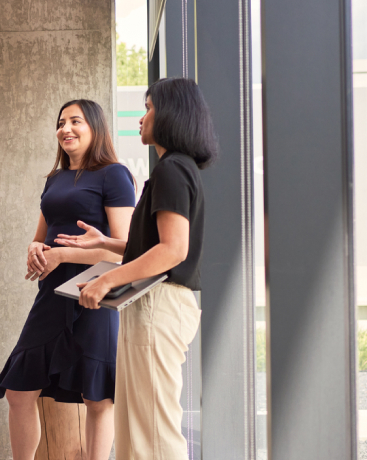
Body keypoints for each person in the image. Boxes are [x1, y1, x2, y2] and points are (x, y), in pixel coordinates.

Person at [56, 77, 218, 459]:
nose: (141, 117)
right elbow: (155, 245)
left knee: (153, 433)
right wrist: (105, 243)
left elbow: (172, 251)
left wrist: (106, 279)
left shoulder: (172, 170)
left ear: (171, 114)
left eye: (148, 108)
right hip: (153, 305)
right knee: (136, 432)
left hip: (157, 305)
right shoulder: (177, 169)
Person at [0, 100, 136, 460]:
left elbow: (123, 250)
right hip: (52, 292)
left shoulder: (113, 174)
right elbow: (42, 235)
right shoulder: (54, 179)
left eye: (75, 121)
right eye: (60, 122)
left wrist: (63, 254)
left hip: (95, 290)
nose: (65, 128)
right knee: (19, 391)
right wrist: (35, 249)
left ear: (95, 127)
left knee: (97, 396)